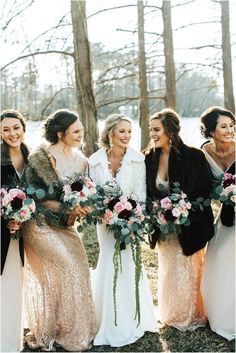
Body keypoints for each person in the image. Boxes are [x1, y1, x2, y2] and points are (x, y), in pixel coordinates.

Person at [23, 109, 97, 351]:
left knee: (81, 268)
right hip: (40, 224)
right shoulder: (40, 158)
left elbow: (87, 193)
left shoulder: (82, 160)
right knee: (67, 267)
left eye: (82, 131)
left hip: (65, 225)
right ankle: (55, 330)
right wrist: (68, 207)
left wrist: (84, 207)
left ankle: (71, 329)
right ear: (60, 133)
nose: (80, 135)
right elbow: (35, 198)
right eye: (76, 131)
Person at [88, 113, 157, 347]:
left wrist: (131, 218)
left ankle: (134, 318)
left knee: (129, 264)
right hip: (104, 224)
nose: (126, 136)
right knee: (108, 262)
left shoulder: (138, 160)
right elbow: (92, 194)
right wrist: (104, 214)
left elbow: (141, 194)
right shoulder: (94, 161)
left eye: (129, 132)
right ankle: (107, 319)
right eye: (122, 131)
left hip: (130, 223)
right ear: (110, 134)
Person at [144, 108, 214, 331]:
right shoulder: (149, 158)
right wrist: (156, 212)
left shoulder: (194, 156)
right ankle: (171, 312)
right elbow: (146, 192)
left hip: (189, 226)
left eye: (156, 130)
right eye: (150, 130)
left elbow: (204, 191)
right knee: (168, 269)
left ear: (170, 131)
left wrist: (183, 210)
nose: (152, 134)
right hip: (163, 226)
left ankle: (190, 314)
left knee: (186, 269)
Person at [200, 106, 235, 340]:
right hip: (226, 213)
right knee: (218, 253)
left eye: (232, 126)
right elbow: (203, 185)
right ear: (211, 131)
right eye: (224, 126)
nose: (230, 130)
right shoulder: (204, 152)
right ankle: (220, 311)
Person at [1, 109, 30, 352]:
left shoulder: (32, 157)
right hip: (3, 235)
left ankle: (13, 340)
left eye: (16, 128)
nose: (12, 133)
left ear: (23, 128)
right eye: (6, 129)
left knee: (17, 285)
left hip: (25, 233)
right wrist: (6, 220)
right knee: (5, 285)